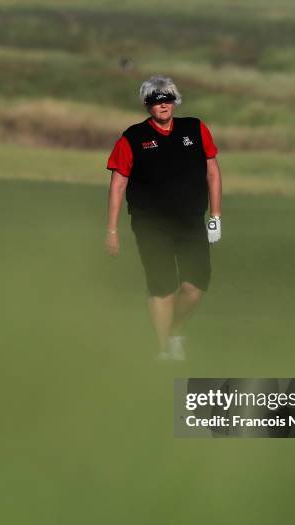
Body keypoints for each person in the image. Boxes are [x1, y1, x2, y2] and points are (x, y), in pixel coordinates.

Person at [104, 75, 222, 361]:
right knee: (162, 285)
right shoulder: (132, 137)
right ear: (147, 106)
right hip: (150, 223)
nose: (163, 105)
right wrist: (112, 230)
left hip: (191, 219)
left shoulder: (195, 129)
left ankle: (174, 332)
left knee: (195, 287)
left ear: (175, 100)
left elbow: (213, 173)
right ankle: (162, 351)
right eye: (156, 101)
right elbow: (118, 184)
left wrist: (215, 216)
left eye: (167, 99)